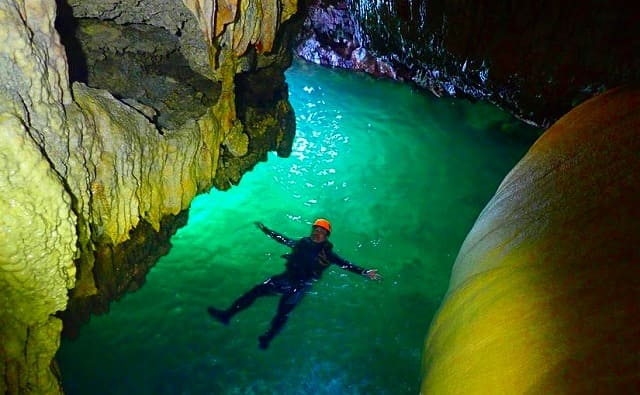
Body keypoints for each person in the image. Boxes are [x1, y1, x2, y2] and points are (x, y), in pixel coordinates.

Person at [207, 218, 382, 349]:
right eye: (315, 229)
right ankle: (227, 315)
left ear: (326, 236)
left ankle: (267, 338)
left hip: (299, 287)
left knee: (282, 313)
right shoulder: (302, 243)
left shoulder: (327, 254)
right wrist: (267, 230)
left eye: (321, 232)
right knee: (255, 292)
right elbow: (284, 240)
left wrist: (365, 272)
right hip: (285, 279)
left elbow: (345, 264)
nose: (317, 233)